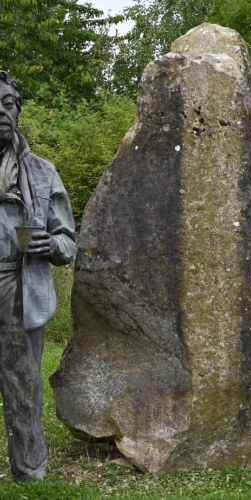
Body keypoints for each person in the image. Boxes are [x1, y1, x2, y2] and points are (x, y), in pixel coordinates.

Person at [0, 70, 76, 482]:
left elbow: (67, 240)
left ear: (17, 110)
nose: (0, 113)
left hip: (18, 287)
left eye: (7, 105)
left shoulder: (42, 173)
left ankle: (30, 471)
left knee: (22, 385)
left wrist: (53, 246)